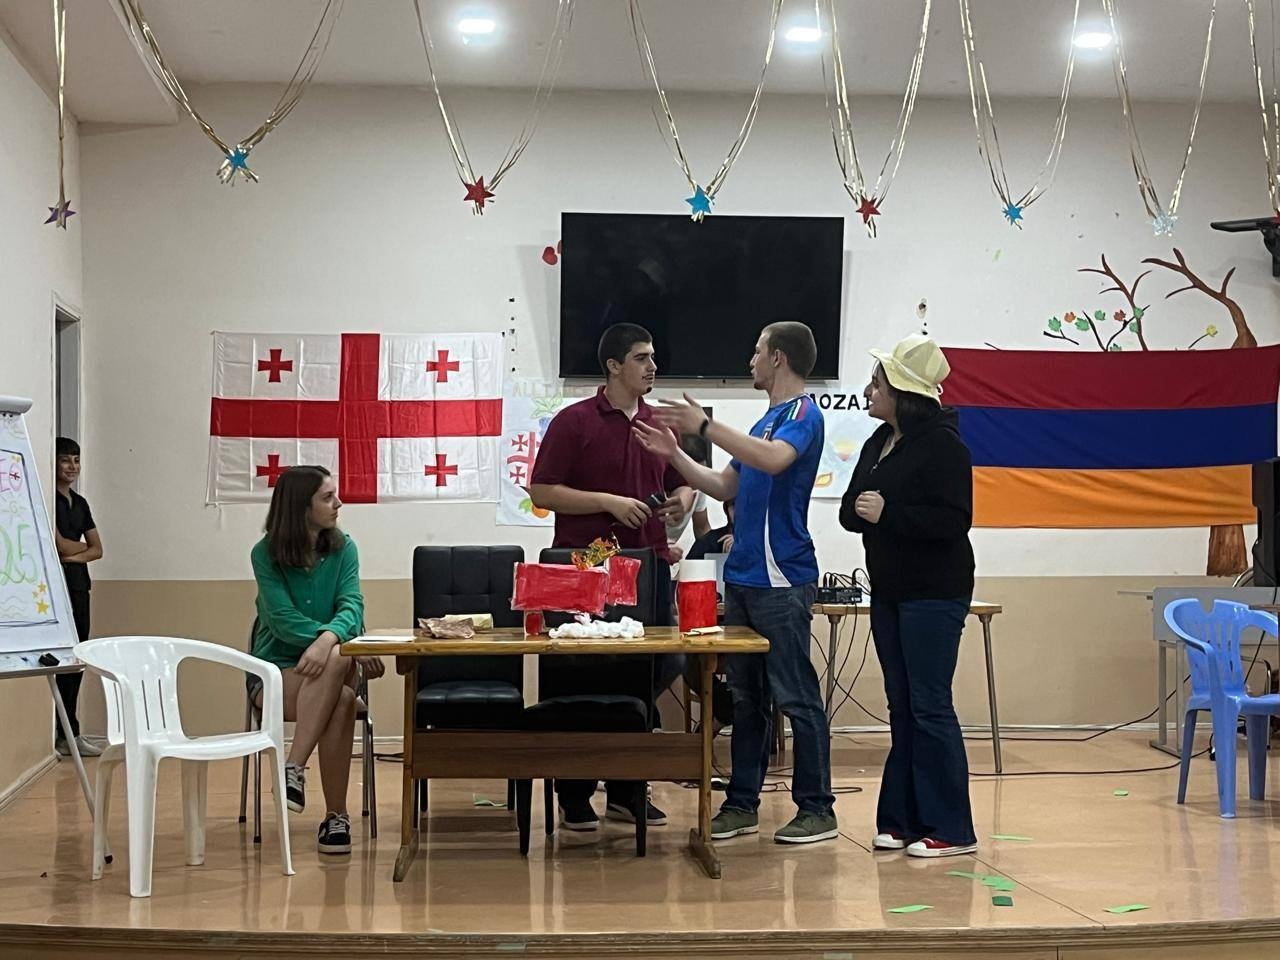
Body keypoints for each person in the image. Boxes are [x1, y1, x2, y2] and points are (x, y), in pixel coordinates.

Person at [634, 321, 838, 844]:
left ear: (779, 358)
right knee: (746, 698)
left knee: (796, 696)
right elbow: (724, 484)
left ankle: (817, 808)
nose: (750, 360)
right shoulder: (766, 421)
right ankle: (742, 803)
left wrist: (706, 426)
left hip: (782, 578)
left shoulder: (803, 415)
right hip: (745, 578)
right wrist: (675, 454)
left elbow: (774, 460)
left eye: (757, 351)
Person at [529, 322, 696, 832]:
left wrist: (680, 502)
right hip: (587, 563)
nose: (652, 367)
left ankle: (627, 789)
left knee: (657, 665)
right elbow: (542, 491)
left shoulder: (659, 423)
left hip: (647, 564)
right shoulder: (574, 421)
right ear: (614, 366)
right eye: (642, 358)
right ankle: (575, 792)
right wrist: (607, 502)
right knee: (582, 676)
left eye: (653, 357)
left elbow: (685, 483)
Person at [838, 333, 977, 858]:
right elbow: (850, 510)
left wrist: (889, 514)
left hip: (934, 593)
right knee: (901, 706)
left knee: (929, 706)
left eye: (877, 383)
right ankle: (901, 819)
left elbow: (954, 521)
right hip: (890, 592)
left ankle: (952, 828)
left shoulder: (945, 446)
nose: (868, 391)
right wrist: (866, 513)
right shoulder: (879, 442)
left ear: (902, 392)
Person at [250, 465, 384, 855]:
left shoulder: (345, 549)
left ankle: (293, 766)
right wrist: (333, 639)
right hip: (276, 672)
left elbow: (352, 607)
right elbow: (281, 620)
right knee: (341, 697)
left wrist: (327, 641)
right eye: (327, 497)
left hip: (334, 665)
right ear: (300, 507)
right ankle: (336, 816)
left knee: (337, 661)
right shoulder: (265, 555)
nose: (338, 503)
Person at [52, 437, 103, 758]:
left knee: (76, 660)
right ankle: (59, 733)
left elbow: (98, 549)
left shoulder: (80, 503)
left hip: (79, 587)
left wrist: (72, 555)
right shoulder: (48, 499)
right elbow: (57, 544)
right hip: (57, 590)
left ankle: (71, 732)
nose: (72, 466)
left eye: (76, 460)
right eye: (65, 460)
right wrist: (79, 550)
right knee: (57, 660)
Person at [664, 434, 712, 562]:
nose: (697, 481)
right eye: (691, 474)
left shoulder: (699, 486)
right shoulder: (654, 485)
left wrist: (712, 552)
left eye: (701, 472)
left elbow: (701, 527)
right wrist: (661, 549)